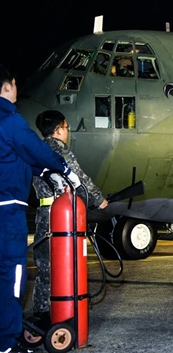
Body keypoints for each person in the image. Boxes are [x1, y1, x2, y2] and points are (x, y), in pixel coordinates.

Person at [0, 64, 81, 353]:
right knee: (12, 276)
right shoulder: (9, 119)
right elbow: (33, 148)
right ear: (8, 85)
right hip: (6, 212)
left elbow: (15, 156)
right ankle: (6, 343)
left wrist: (44, 173)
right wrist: (63, 170)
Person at [30, 110, 109, 329]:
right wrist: (99, 199)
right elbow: (79, 178)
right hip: (60, 216)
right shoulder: (59, 150)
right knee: (64, 266)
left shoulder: (37, 148)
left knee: (45, 268)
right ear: (58, 129)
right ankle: (62, 315)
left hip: (43, 213)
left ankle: (41, 314)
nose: (67, 132)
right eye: (66, 128)